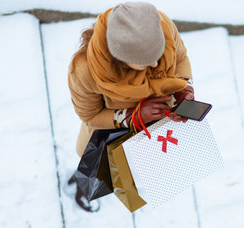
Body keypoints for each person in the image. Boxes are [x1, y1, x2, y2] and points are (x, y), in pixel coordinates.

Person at [67, 1, 194, 212]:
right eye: (145, 61)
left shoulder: (160, 26)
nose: (155, 65)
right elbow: (89, 115)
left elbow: (180, 57)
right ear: (121, 59)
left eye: (159, 54)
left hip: (155, 125)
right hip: (110, 133)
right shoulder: (85, 71)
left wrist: (184, 85)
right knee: (99, 170)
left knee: (138, 167)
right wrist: (133, 116)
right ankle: (83, 189)